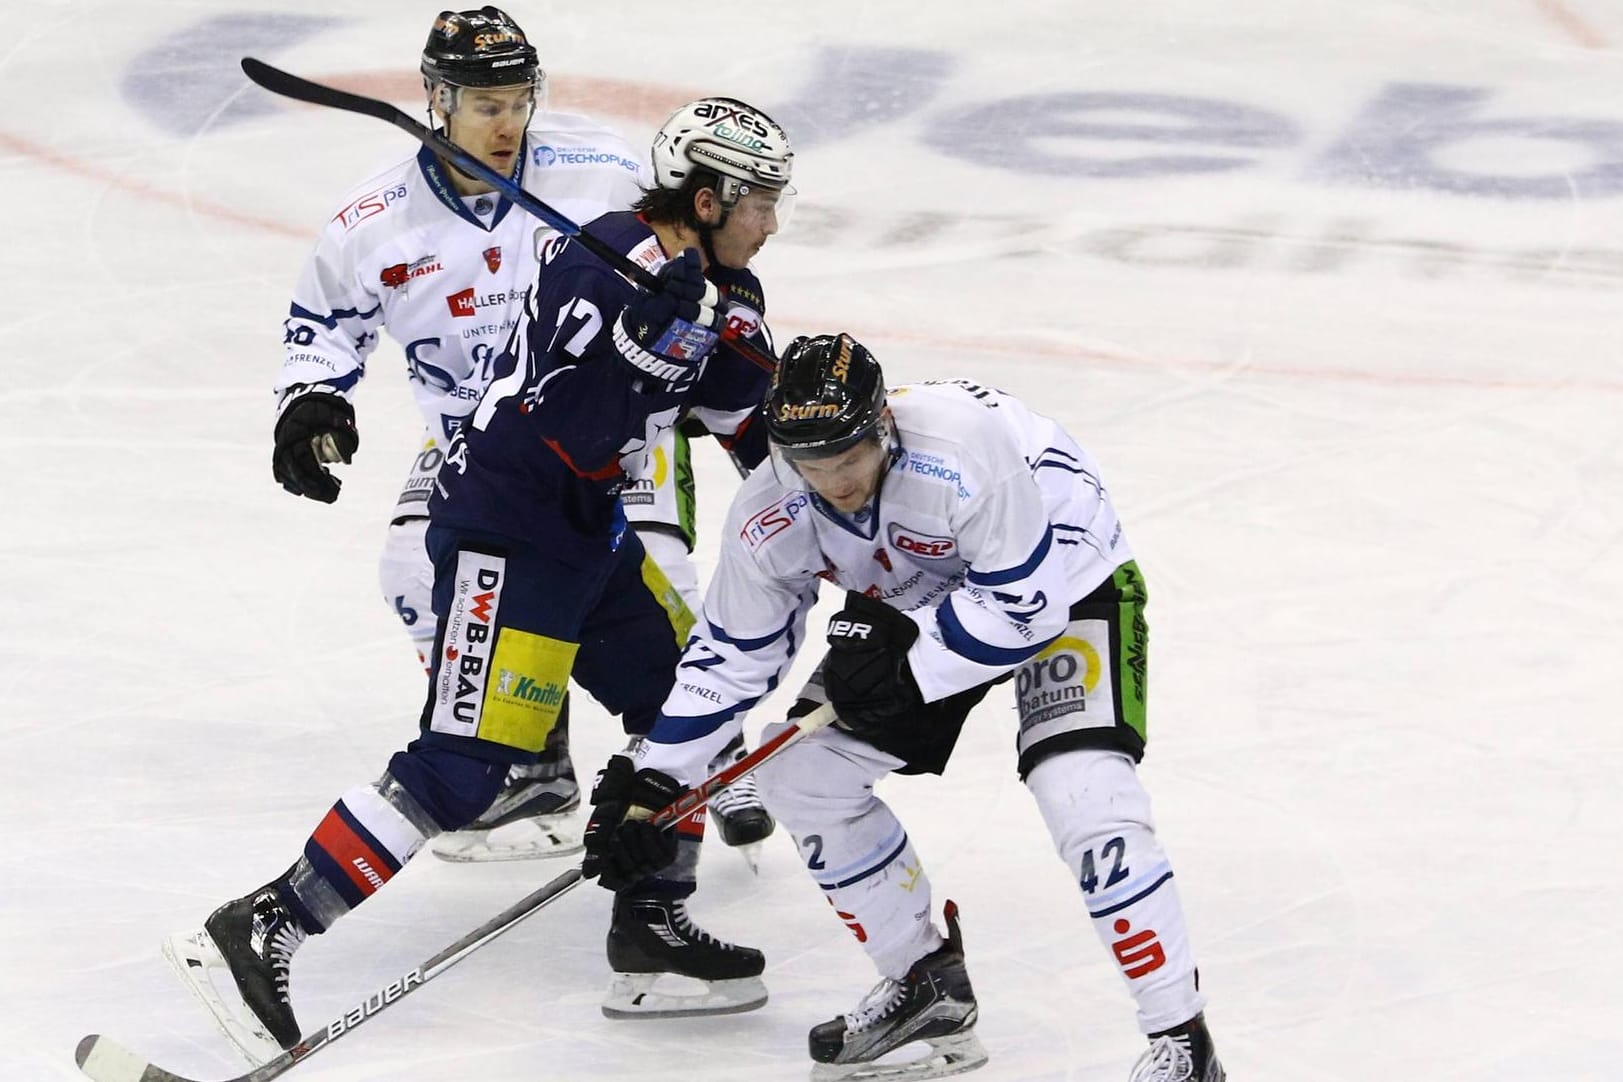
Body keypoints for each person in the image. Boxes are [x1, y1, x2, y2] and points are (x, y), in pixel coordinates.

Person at [164, 92, 796, 1061]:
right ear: (707, 201)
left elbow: (746, 416)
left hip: (588, 537)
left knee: (688, 706)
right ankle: (267, 922)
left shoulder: (712, 286)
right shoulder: (606, 256)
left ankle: (651, 925)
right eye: (759, 201)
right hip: (510, 531)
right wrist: (652, 341)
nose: (772, 221)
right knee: (464, 766)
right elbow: (575, 422)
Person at [582, 334, 1225, 1082]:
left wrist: (907, 668)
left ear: (882, 424)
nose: (833, 483)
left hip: (1066, 583)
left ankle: (1182, 1042)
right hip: (916, 596)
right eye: (810, 464)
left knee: (1082, 794)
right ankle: (927, 986)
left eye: (847, 459)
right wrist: (653, 780)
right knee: (799, 775)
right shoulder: (775, 503)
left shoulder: (961, 449)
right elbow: (732, 655)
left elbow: (1025, 611)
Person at [268, 5, 774, 864]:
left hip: (615, 429)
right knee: (409, 572)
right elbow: (323, 324)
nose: (506, 124)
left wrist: (694, 331)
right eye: (483, 104)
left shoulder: (601, 171)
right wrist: (312, 401)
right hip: (483, 440)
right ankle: (530, 752)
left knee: (658, 572)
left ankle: (707, 749)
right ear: (435, 99)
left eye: (517, 99)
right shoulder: (372, 224)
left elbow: (702, 253)